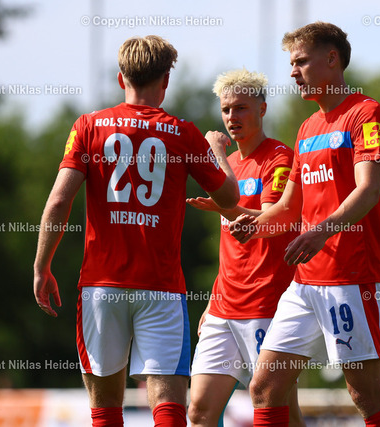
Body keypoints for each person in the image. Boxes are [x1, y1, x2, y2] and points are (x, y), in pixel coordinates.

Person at [33, 35, 239, 427]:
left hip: (101, 287)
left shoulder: (88, 126)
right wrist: (217, 150)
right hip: (161, 287)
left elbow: (59, 201)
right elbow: (229, 198)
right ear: (166, 81)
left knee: (106, 407)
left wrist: (42, 266)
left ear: (120, 78)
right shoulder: (183, 133)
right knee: (169, 406)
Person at [230, 22, 380, 426]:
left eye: (302, 61)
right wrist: (246, 220)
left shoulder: (366, 113)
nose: (293, 72)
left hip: (352, 275)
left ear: (332, 59)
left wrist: (320, 231)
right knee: (265, 386)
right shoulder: (307, 128)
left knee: (364, 392)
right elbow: (289, 208)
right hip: (306, 281)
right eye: (292, 63)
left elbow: (368, 190)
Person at [186, 69, 304, 427]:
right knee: (200, 411)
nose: (231, 117)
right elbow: (230, 247)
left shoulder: (279, 157)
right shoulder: (230, 166)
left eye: (240, 108)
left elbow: (271, 219)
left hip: (266, 305)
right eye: (225, 109)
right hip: (224, 307)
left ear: (262, 109)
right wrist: (212, 299)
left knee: (280, 411)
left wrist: (216, 156)